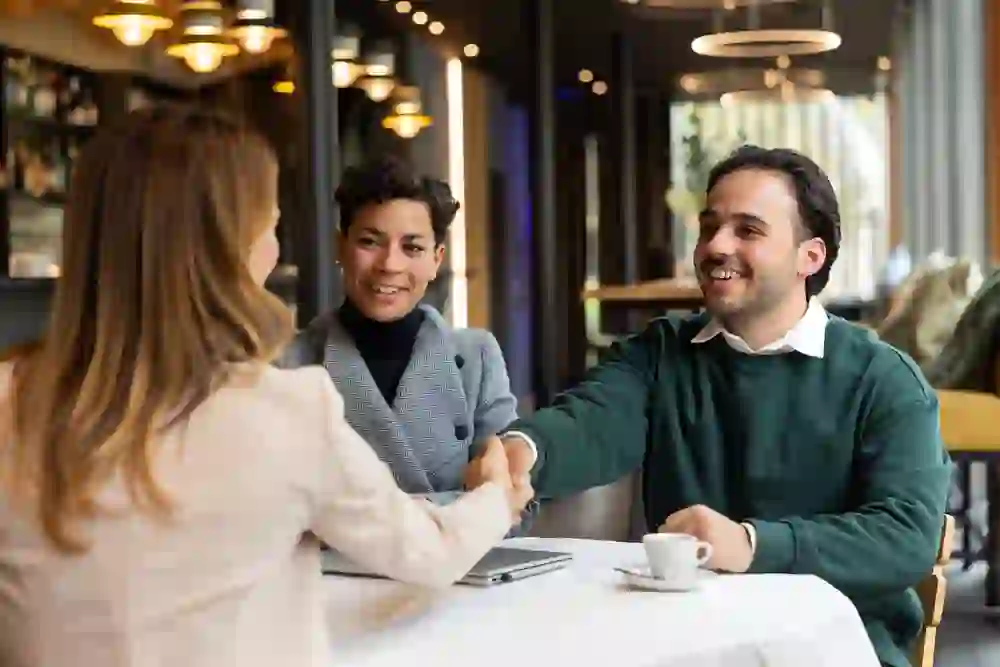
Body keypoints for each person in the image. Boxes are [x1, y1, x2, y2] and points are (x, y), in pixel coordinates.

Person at [0, 106, 532, 667]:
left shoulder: (9, 397)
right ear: (231, 246)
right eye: (270, 226)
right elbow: (432, 551)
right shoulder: (285, 408)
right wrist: (497, 496)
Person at [466, 145, 951, 667]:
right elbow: (590, 420)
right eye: (710, 226)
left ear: (810, 256)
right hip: (684, 643)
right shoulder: (660, 353)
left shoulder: (883, 379)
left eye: (748, 230)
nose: (716, 246)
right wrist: (521, 450)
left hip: (838, 650)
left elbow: (904, 535)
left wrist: (751, 545)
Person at [280, 156, 522, 508]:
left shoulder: (476, 357)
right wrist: (459, 508)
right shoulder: (288, 364)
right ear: (340, 247)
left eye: (412, 248)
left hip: (461, 564)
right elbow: (280, 509)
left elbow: (513, 500)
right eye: (370, 242)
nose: (390, 265)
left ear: (436, 260)